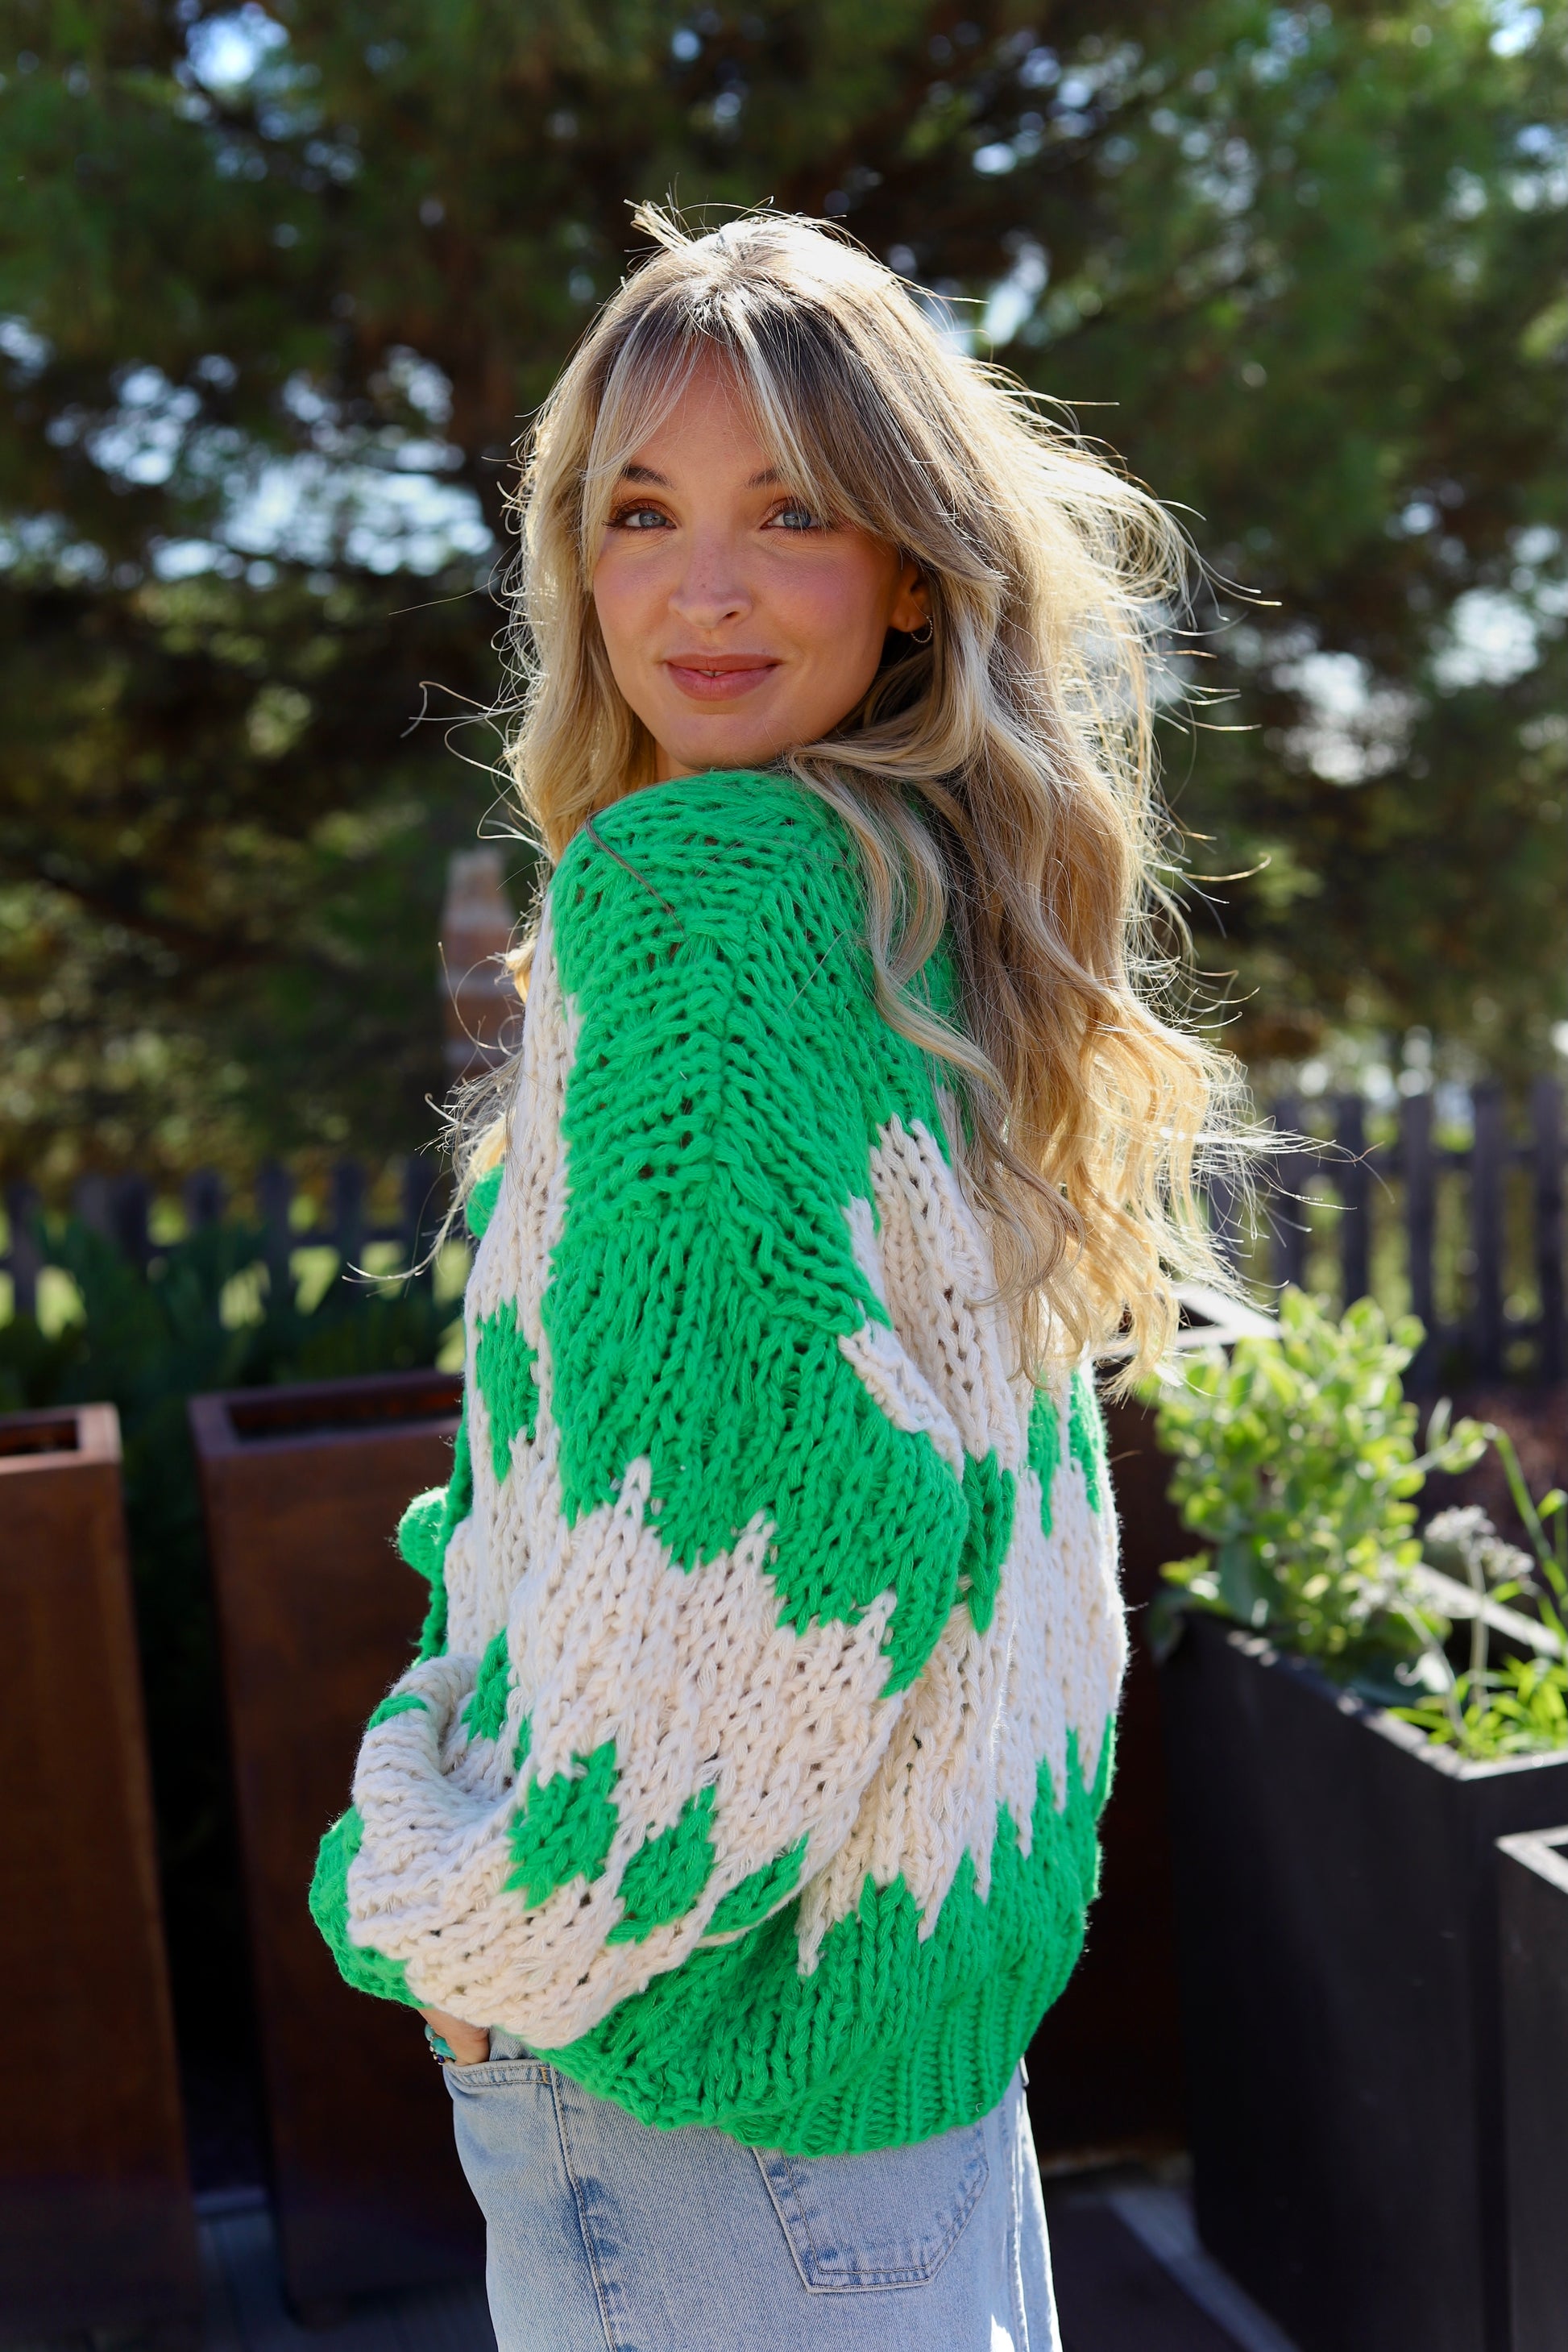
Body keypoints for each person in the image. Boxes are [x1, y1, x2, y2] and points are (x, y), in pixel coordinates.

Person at [310, 205, 1245, 2352]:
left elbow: (779, 1524)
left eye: (793, 512)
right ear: (577, 557)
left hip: (697, 2086)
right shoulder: (907, 897)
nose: (701, 588)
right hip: (901, 2047)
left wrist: (470, 1926)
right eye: (640, 512)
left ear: (911, 566)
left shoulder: (704, 905)